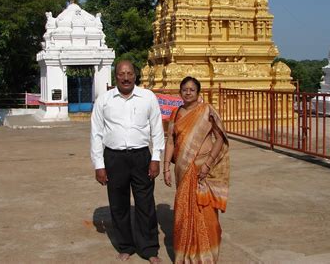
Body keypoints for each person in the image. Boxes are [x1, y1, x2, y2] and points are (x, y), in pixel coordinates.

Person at [90, 60, 164, 263]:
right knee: (118, 204)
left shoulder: (147, 97)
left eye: (129, 73)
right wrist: (99, 165)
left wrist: (155, 158)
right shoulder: (104, 100)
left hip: (141, 156)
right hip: (114, 158)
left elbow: (157, 130)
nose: (125, 77)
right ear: (116, 77)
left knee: (145, 204)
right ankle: (126, 246)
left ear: (135, 75)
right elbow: (96, 134)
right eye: (121, 74)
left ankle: (149, 249)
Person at [163, 76, 229, 263]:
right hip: (183, 171)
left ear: (198, 92)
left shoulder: (206, 111)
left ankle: (207, 257)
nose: (188, 92)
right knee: (183, 213)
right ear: (180, 92)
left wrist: (208, 164)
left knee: (205, 212)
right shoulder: (176, 113)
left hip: (203, 173)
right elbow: (170, 141)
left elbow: (220, 139)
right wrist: (166, 166)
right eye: (185, 89)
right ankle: (185, 255)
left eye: (192, 89)